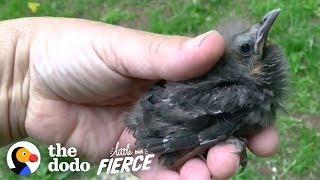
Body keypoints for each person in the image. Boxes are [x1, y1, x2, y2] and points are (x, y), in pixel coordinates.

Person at [0, 18, 279, 180]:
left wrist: (23, 82)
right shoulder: (241, 94)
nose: (261, 33)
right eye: (246, 47)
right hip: (152, 130)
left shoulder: (243, 92)